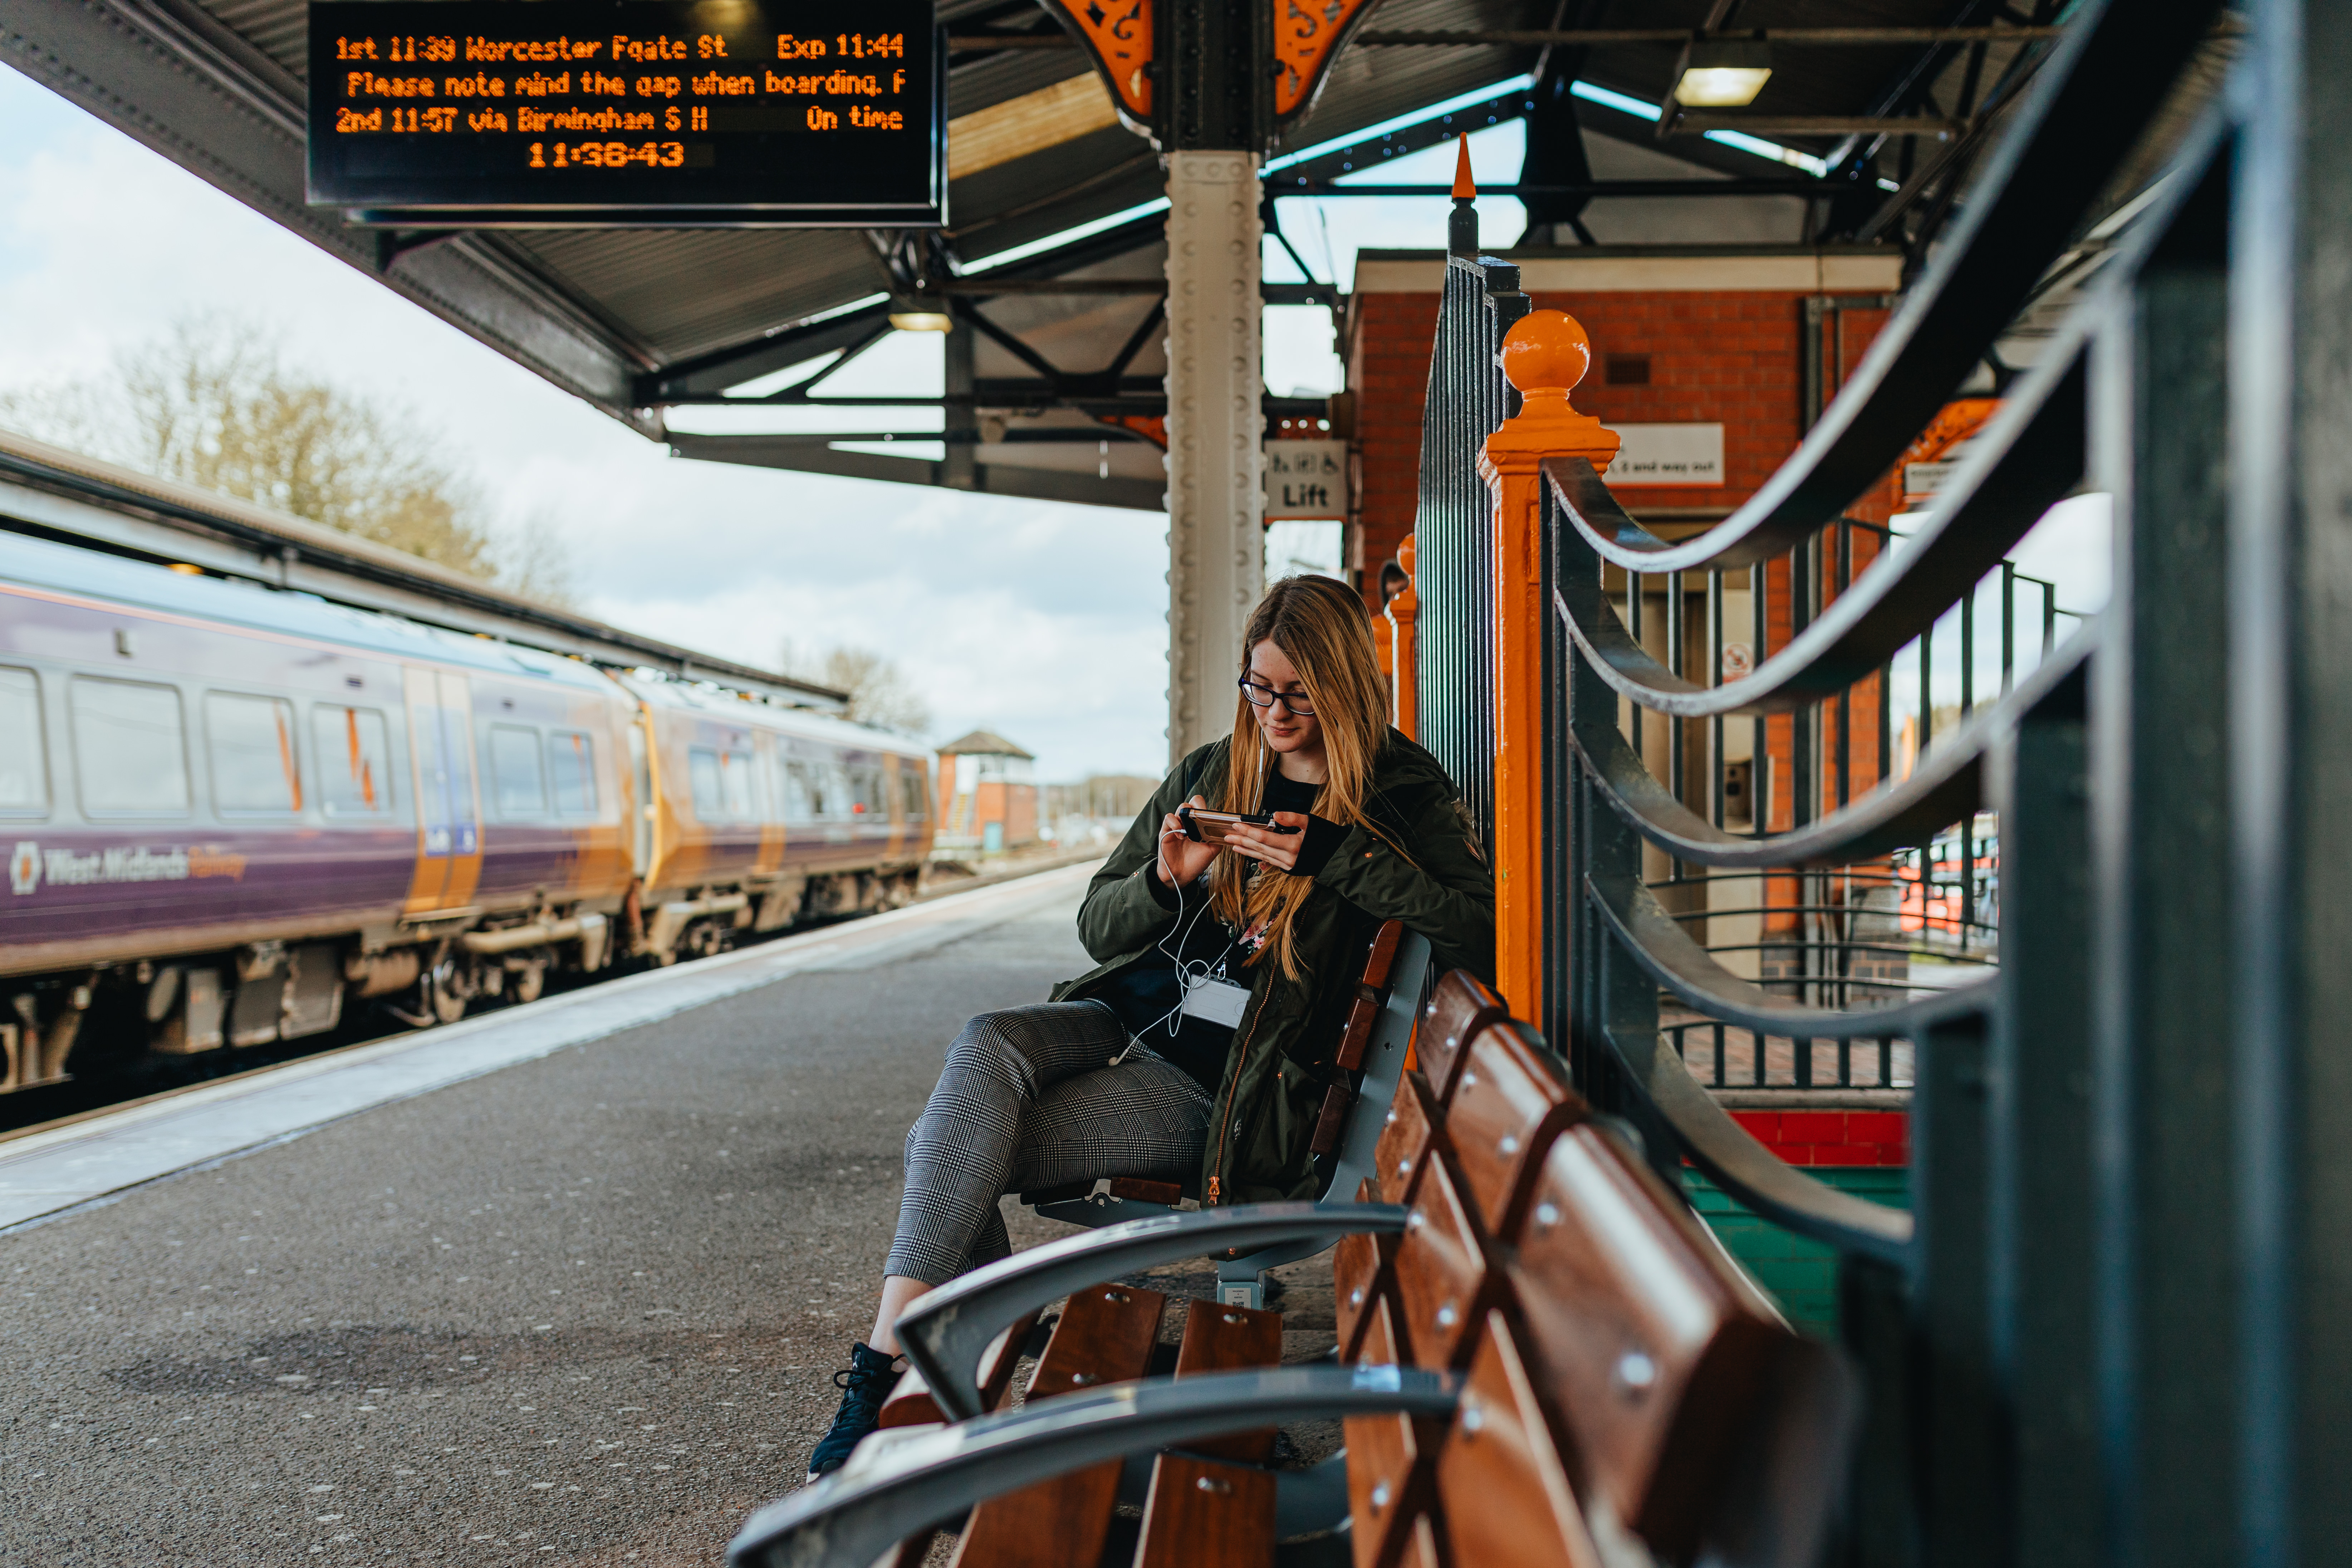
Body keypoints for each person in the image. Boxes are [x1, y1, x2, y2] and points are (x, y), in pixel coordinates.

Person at [802, 574, 1495, 1481]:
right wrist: (1165, 881)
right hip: (1121, 1016)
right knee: (985, 1040)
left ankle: (895, 1374)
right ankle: (919, 1370)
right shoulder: (1217, 770)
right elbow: (1097, 923)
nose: (1274, 711)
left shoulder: (1401, 793)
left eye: (1297, 691)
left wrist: (1335, 857)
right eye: (1258, 686)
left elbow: (1476, 923)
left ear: (1344, 681)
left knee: (941, 1141)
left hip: (1220, 1084)